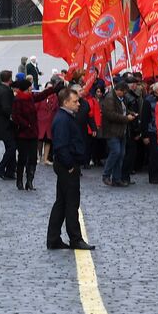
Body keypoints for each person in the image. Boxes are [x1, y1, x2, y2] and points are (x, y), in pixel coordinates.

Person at [46, 87, 94, 251]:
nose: (78, 104)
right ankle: (75, 238)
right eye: (75, 101)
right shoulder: (62, 120)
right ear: (65, 102)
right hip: (67, 165)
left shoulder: (66, 117)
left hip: (69, 164)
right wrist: (70, 166)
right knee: (71, 203)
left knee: (62, 202)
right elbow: (60, 146)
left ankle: (53, 239)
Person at [99, 81, 135, 188]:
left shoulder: (120, 99)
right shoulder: (110, 98)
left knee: (121, 154)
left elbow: (122, 110)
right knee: (116, 152)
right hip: (112, 131)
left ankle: (116, 178)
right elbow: (111, 115)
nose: (124, 94)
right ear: (119, 90)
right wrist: (126, 118)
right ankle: (106, 175)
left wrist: (130, 113)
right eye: (123, 92)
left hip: (120, 131)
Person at [0, 70, 17, 180]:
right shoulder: (5, 91)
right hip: (5, 123)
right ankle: (1, 169)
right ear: (9, 79)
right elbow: (6, 107)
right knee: (12, 147)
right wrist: (12, 116)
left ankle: (10, 171)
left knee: (10, 146)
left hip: (1, 122)